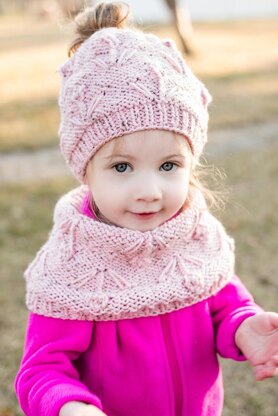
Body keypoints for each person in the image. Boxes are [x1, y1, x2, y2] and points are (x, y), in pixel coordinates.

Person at [15, 2, 278, 416]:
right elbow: (41, 371)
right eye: (122, 167)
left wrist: (245, 328)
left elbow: (224, 305)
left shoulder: (193, 236)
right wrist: (70, 406)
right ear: (85, 169)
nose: (150, 191)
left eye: (169, 166)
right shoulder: (71, 268)